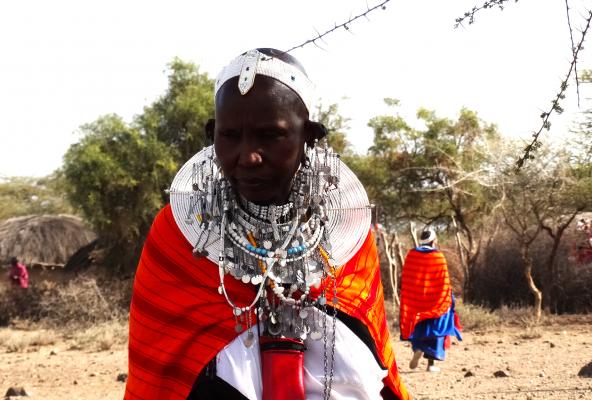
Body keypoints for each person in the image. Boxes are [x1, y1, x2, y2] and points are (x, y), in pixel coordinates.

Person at [125, 48, 410, 400]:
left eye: (270, 135)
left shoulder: (346, 235)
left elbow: (370, 346)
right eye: (230, 136)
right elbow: (160, 378)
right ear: (213, 134)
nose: (248, 156)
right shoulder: (179, 235)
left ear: (309, 136)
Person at [399, 229, 461, 373]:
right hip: (435, 300)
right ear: (433, 241)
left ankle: (418, 348)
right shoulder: (438, 256)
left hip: (416, 300)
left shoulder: (411, 255)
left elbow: (407, 280)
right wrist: (448, 298)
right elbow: (444, 281)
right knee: (435, 328)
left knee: (418, 327)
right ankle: (430, 364)